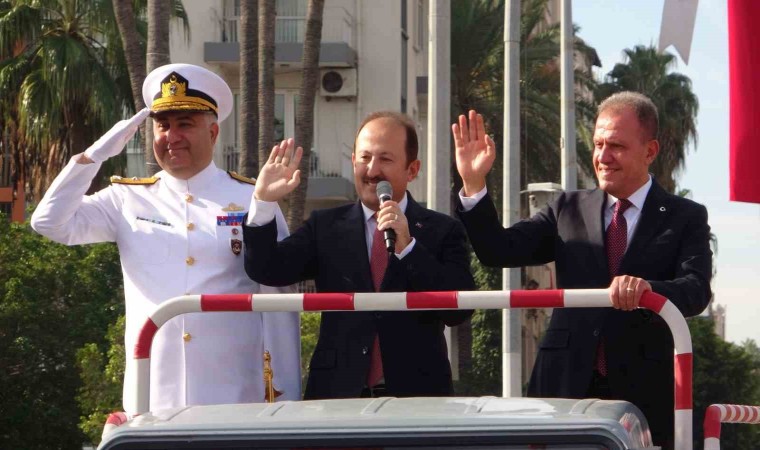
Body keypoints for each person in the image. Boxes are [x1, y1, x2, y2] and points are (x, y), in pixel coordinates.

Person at [31, 63, 301, 413]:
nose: (172, 136)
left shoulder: (254, 197)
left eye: (184, 124)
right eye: (162, 126)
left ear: (213, 132)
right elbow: (48, 222)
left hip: (234, 394)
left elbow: (278, 301)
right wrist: (92, 157)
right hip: (152, 395)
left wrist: (285, 395)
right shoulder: (127, 198)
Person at [453, 92, 712, 449]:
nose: (603, 157)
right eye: (598, 144)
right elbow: (498, 250)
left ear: (650, 151)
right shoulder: (567, 208)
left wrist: (647, 290)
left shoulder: (685, 217)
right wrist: (473, 183)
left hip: (643, 394)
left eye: (616, 146)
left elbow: (696, 289)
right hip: (563, 388)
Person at [243, 111, 475, 399]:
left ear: (412, 169)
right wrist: (263, 202)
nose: (372, 170)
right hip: (338, 396)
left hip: (418, 397)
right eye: (365, 158)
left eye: (385, 159)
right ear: (353, 161)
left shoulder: (442, 230)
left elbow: (459, 311)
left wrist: (409, 249)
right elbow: (267, 269)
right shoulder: (325, 226)